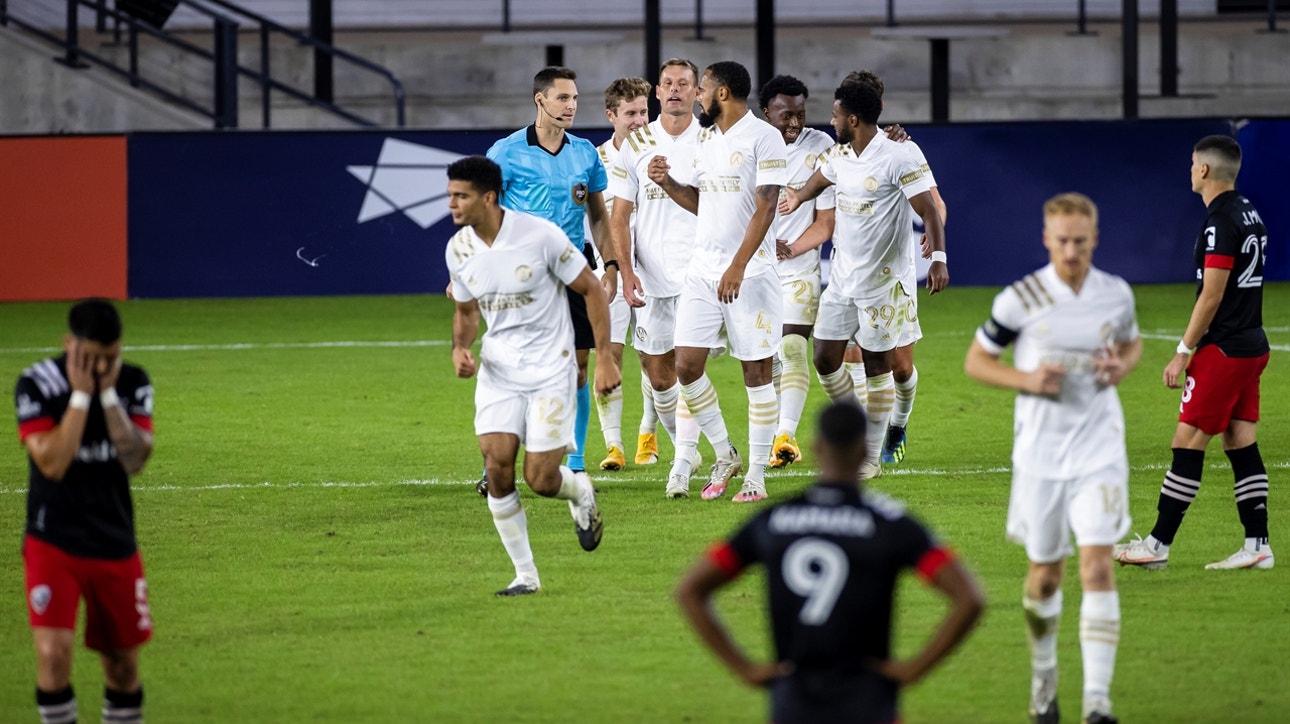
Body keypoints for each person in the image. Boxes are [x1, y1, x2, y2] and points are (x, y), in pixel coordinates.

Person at [676, 400, 983, 724]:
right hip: (867, 700)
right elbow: (969, 598)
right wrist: (912, 670)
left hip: (793, 703)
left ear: (817, 448)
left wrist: (746, 670)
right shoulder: (890, 523)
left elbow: (690, 590)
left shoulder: (774, 520)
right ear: (865, 450)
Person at [965, 192, 1140, 724]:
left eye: (1080, 242)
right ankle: (1044, 682)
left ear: (1094, 239)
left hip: (1099, 446)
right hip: (1040, 452)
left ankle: (1098, 703)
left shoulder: (1115, 295)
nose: (1071, 251)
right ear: (1046, 239)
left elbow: (1131, 345)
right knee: (1044, 576)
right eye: (1062, 241)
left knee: (1097, 566)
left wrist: (1120, 367)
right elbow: (977, 361)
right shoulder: (1021, 298)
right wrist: (1027, 380)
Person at [445, 156, 620, 596]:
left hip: (550, 369)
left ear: (488, 197)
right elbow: (466, 312)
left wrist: (604, 358)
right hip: (499, 372)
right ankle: (526, 575)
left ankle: (580, 493)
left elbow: (592, 289)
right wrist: (461, 347)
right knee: (496, 468)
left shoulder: (539, 235)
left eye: (460, 195)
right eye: (450, 195)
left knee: (541, 479)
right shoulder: (458, 249)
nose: (452, 204)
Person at [1115, 134, 1274, 571]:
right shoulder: (1250, 212)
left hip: (1222, 350)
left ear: (1203, 169)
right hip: (1251, 345)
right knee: (1240, 439)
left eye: (1191, 163)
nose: (1189, 169)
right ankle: (1257, 544)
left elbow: (1211, 295)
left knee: (1187, 441)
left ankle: (1157, 545)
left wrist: (1183, 351)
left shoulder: (1220, 220)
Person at [781, 80, 946, 480]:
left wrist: (939, 258)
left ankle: (871, 453)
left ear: (852, 118)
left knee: (888, 367)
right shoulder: (840, 154)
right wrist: (798, 197)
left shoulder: (898, 156)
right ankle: (863, 421)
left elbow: (930, 209)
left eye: (836, 113)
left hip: (883, 284)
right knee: (824, 358)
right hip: (841, 279)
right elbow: (822, 177)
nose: (831, 119)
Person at [651, 60, 789, 503]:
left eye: (703, 88)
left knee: (756, 373)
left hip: (752, 274)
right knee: (687, 367)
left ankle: (756, 477)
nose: (697, 95)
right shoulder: (707, 138)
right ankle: (725, 453)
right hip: (702, 272)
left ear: (723, 93)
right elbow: (700, 201)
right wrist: (667, 181)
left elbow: (766, 206)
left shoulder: (764, 137)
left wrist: (738, 266)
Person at [16, 298, 156, 724]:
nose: (100, 367)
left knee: (122, 666)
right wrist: (80, 397)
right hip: (52, 540)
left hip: (113, 541)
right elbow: (54, 463)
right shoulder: (37, 384)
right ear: (69, 345)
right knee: (52, 655)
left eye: (109, 357)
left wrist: (107, 394)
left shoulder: (132, 382)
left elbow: (134, 459)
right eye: (91, 358)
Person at [485, 66, 618, 492]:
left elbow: (597, 215)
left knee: (578, 367)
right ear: (540, 100)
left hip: (573, 267)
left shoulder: (584, 153)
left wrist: (610, 264)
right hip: (523, 271)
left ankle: (574, 461)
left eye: (575, 98)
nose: (572, 106)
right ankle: (500, 463)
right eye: (563, 98)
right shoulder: (504, 152)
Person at [610, 58, 708, 498]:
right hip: (650, 278)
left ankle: (684, 464)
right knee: (659, 375)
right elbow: (620, 214)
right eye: (667, 83)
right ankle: (690, 449)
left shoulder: (709, 141)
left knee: (689, 371)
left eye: (683, 84)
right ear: (656, 91)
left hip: (699, 276)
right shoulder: (636, 144)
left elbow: (717, 209)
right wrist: (626, 271)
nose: (674, 90)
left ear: (697, 91)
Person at [756, 74, 837, 471]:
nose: (794, 123)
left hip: (799, 269)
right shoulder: (748, 144)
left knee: (791, 347)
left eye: (801, 114)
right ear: (765, 111)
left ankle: (785, 435)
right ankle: (773, 435)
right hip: (754, 271)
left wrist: (791, 248)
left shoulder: (822, 148)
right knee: (765, 357)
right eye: (786, 115)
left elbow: (826, 222)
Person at [589, 76, 653, 472]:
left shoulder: (662, 153)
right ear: (611, 115)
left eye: (644, 112)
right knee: (608, 354)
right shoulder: (592, 161)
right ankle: (613, 445)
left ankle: (648, 434)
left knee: (656, 358)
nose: (639, 120)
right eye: (630, 113)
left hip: (655, 274)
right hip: (609, 272)